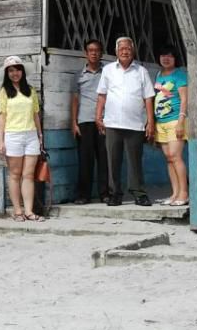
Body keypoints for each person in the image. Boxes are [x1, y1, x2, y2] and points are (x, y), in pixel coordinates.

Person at [94, 37, 156, 206]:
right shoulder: (108, 70)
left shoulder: (141, 71)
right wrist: (98, 116)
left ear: (133, 50)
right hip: (112, 123)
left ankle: (139, 193)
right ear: (116, 51)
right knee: (112, 160)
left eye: (128, 48)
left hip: (135, 124)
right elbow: (102, 95)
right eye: (121, 48)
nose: (125, 51)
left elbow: (148, 98)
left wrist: (150, 122)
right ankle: (115, 194)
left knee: (135, 161)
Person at [0, 55, 45, 222]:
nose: (15, 73)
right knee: (15, 174)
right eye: (11, 70)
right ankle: (18, 211)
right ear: (7, 73)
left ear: (22, 71)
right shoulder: (4, 92)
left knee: (29, 175)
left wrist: (40, 136)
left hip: (31, 135)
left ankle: (29, 211)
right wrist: (0, 141)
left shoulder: (30, 91)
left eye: (17, 69)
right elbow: (2, 117)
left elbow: (36, 114)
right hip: (13, 135)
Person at [70, 39, 110, 204]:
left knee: (104, 159)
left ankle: (105, 194)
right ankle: (83, 195)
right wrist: (73, 123)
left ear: (101, 53)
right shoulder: (78, 76)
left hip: (104, 121)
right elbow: (74, 100)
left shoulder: (107, 73)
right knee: (85, 160)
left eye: (97, 50)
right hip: (84, 121)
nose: (94, 53)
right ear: (86, 53)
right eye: (90, 50)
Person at [153, 46, 189, 206]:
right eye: (163, 55)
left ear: (175, 59)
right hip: (161, 122)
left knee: (175, 156)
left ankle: (184, 193)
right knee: (169, 159)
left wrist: (181, 121)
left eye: (169, 56)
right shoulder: (159, 75)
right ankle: (174, 194)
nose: (166, 58)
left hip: (175, 120)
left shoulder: (180, 75)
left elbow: (184, 99)